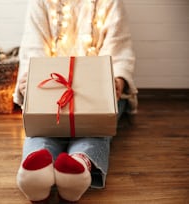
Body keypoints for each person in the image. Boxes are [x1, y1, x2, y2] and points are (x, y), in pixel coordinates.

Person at [13, 0, 138, 203]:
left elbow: (119, 46)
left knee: (96, 127)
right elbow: (32, 47)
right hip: (54, 89)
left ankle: (79, 165)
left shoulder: (109, 3)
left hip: (99, 90)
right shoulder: (41, 3)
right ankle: (36, 168)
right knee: (43, 125)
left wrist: (118, 80)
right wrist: (31, 78)